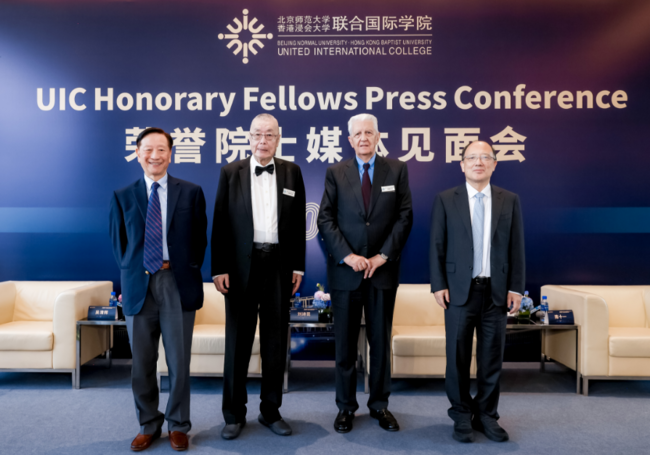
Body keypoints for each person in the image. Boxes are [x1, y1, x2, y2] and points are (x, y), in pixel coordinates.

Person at [109, 127, 208, 452]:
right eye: (148, 149)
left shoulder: (191, 192)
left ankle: (178, 424)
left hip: (176, 283)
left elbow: (199, 239)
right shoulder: (123, 196)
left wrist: (183, 268)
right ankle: (148, 424)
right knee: (142, 363)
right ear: (138, 153)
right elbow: (119, 244)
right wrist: (133, 271)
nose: (155, 155)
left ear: (170, 154)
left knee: (179, 362)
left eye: (161, 149)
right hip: (139, 284)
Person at [211, 113, 306, 439]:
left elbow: (297, 224)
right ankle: (233, 414)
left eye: (269, 135)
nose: (263, 141)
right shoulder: (230, 172)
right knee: (237, 342)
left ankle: (271, 411)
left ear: (278, 139)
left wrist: (297, 266)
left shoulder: (292, 172)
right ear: (248, 138)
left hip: (279, 265)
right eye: (257, 135)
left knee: (275, 342)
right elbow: (220, 223)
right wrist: (219, 268)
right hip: (241, 268)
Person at [317, 113, 413, 433]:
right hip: (346, 274)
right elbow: (325, 219)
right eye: (357, 134)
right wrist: (348, 256)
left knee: (380, 344)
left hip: (382, 273)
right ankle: (345, 407)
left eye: (368, 133)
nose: (363, 138)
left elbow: (404, 216)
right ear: (350, 139)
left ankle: (380, 405)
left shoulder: (396, 170)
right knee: (345, 346)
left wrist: (383, 256)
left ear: (377, 136)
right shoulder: (335, 172)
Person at [429, 140, 525, 443]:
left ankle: (486, 415)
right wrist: (438, 284)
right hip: (459, 292)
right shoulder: (446, 199)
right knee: (457, 357)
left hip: (496, 292)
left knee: (491, 358)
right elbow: (437, 245)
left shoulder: (509, 200)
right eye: (472, 157)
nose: (478, 162)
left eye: (485, 157)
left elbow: (516, 247)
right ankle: (460, 413)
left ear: (494, 164)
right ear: (462, 164)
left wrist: (516, 288)